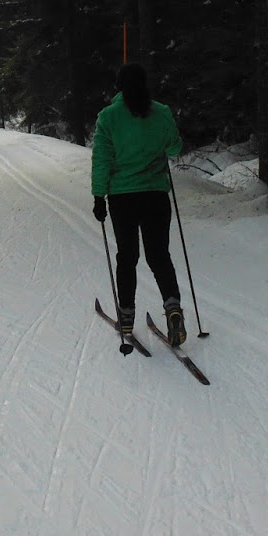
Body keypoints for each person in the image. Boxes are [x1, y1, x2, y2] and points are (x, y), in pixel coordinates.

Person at [91, 62, 186, 346]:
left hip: (122, 198)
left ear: (118, 86)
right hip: (156, 195)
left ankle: (126, 315)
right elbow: (175, 148)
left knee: (127, 256)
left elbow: (102, 159)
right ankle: (173, 308)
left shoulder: (108, 117)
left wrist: (98, 197)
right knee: (159, 256)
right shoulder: (162, 112)